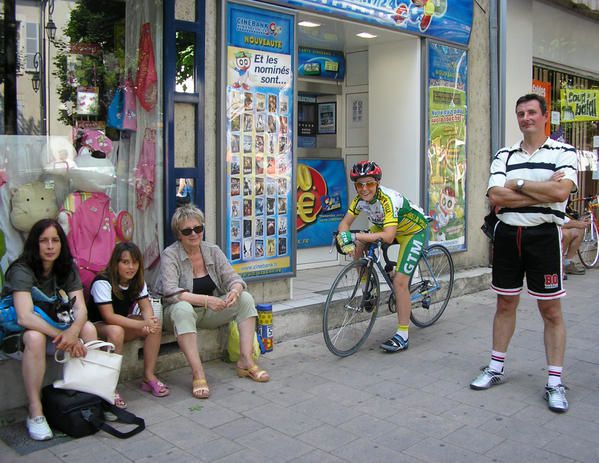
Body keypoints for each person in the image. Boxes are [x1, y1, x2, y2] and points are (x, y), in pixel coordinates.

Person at [470, 94, 578, 413]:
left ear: (545, 116)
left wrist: (517, 184)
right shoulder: (504, 154)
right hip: (508, 235)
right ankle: (495, 367)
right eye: (520, 113)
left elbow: (561, 192)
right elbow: (495, 197)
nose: (526, 117)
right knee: (505, 302)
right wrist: (539, 191)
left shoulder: (564, 151)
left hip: (543, 237)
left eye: (532, 112)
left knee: (551, 311)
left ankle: (555, 382)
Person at [157, 204, 269, 399]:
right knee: (182, 308)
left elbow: (235, 279)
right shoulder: (170, 254)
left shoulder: (212, 250)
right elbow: (171, 292)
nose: (194, 234)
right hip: (177, 315)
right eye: (187, 230)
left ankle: (245, 360)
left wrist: (234, 291)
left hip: (208, 312)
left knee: (245, 298)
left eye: (198, 228)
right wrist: (207, 300)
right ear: (179, 234)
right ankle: (198, 373)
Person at [1, 219, 97, 440]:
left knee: (89, 329)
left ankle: (86, 398)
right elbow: (25, 316)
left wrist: (73, 333)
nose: (50, 246)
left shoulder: (66, 267)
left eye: (55, 240)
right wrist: (66, 336)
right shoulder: (21, 269)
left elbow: (81, 308)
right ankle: (35, 411)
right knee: (34, 338)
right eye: (44, 241)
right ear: (35, 244)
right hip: (18, 334)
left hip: (57, 330)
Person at [337, 160, 428, 353]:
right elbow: (344, 224)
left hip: (412, 231)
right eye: (359, 184)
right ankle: (366, 288)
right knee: (360, 244)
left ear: (377, 183)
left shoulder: (387, 199)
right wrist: (345, 241)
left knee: (400, 283)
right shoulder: (359, 200)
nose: (364, 189)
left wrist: (355, 235)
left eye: (369, 183)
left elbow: (388, 236)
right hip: (386, 226)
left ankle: (402, 335)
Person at [87, 242, 169, 407]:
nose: (131, 267)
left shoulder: (137, 281)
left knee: (155, 325)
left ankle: (148, 377)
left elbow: (146, 308)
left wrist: (149, 322)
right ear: (116, 263)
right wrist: (140, 324)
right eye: (125, 262)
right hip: (97, 326)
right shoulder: (102, 281)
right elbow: (108, 316)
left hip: (121, 323)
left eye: (135, 262)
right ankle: (110, 387)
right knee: (116, 331)